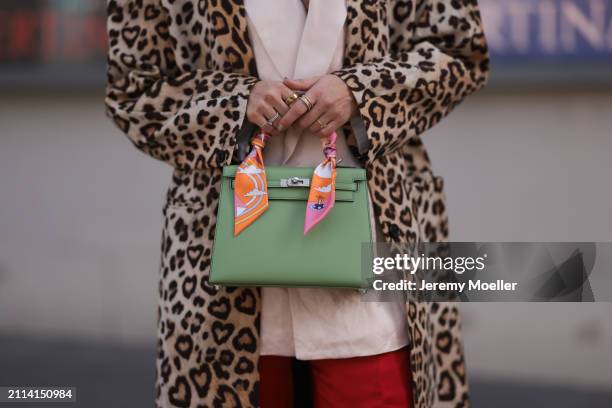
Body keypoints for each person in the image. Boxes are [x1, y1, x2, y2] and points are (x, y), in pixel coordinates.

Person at [105, 0, 489, 407]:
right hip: (221, 268)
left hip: (376, 244)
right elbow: (133, 89)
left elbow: (461, 51)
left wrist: (361, 94)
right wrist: (236, 106)